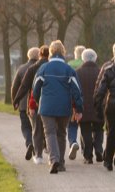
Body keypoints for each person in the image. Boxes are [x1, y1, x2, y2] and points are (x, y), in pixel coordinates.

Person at [33, 40, 83, 174]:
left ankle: (54, 159)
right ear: (63, 52)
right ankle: (60, 163)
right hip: (64, 107)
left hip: (47, 107)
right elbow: (77, 91)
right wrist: (78, 109)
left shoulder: (43, 69)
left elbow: (35, 89)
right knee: (61, 133)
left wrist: (38, 102)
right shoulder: (69, 70)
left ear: (50, 52)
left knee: (49, 133)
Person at [13, 45, 49, 164]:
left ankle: (30, 144)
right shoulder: (50, 66)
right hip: (48, 102)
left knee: (30, 128)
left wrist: (16, 100)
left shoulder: (24, 68)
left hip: (29, 103)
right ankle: (47, 147)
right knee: (47, 127)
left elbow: (19, 86)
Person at [76, 48, 104, 164]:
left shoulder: (77, 72)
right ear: (95, 58)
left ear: (83, 59)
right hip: (99, 106)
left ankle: (88, 156)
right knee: (98, 129)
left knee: (85, 130)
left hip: (84, 106)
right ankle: (98, 149)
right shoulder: (101, 71)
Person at [11, 47, 39, 160]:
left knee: (26, 127)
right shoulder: (41, 67)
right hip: (37, 103)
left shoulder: (21, 68)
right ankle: (38, 148)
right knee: (37, 127)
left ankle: (29, 143)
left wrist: (15, 101)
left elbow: (15, 87)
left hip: (23, 103)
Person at [67, 45, 86, 160]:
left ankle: (73, 141)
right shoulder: (87, 64)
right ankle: (85, 149)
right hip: (86, 98)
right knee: (85, 126)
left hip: (72, 99)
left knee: (72, 124)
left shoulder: (69, 65)